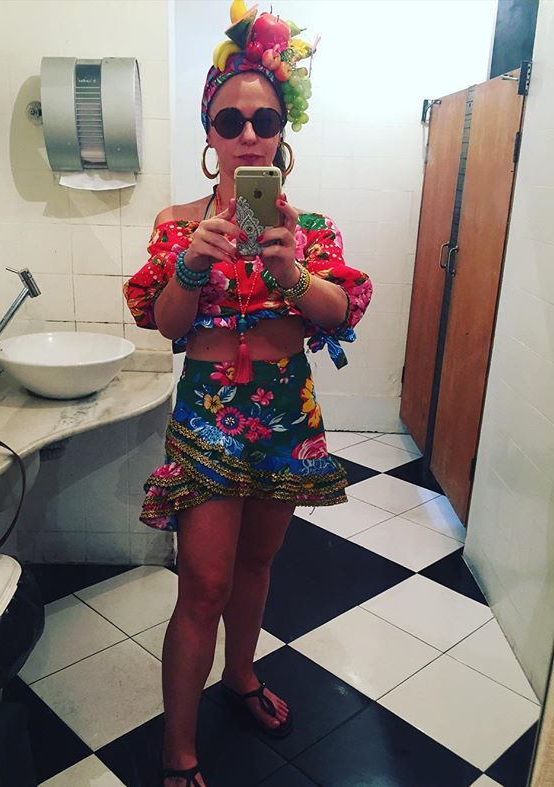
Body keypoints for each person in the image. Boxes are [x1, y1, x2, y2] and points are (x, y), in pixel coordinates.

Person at [124, 6, 372, 785]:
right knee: (203, 581)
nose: (248, 134)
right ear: (210, 133)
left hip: (285, 411)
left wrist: (292, 270)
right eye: (230, 120)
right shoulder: (176, 225)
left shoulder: (309, 228)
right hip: (207, 415)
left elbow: (338, 310)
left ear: (282, 133)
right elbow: (167, 323)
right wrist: (192, 265)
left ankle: (239, 674)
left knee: (257, 565)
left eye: (264, 119)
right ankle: (178, 750)